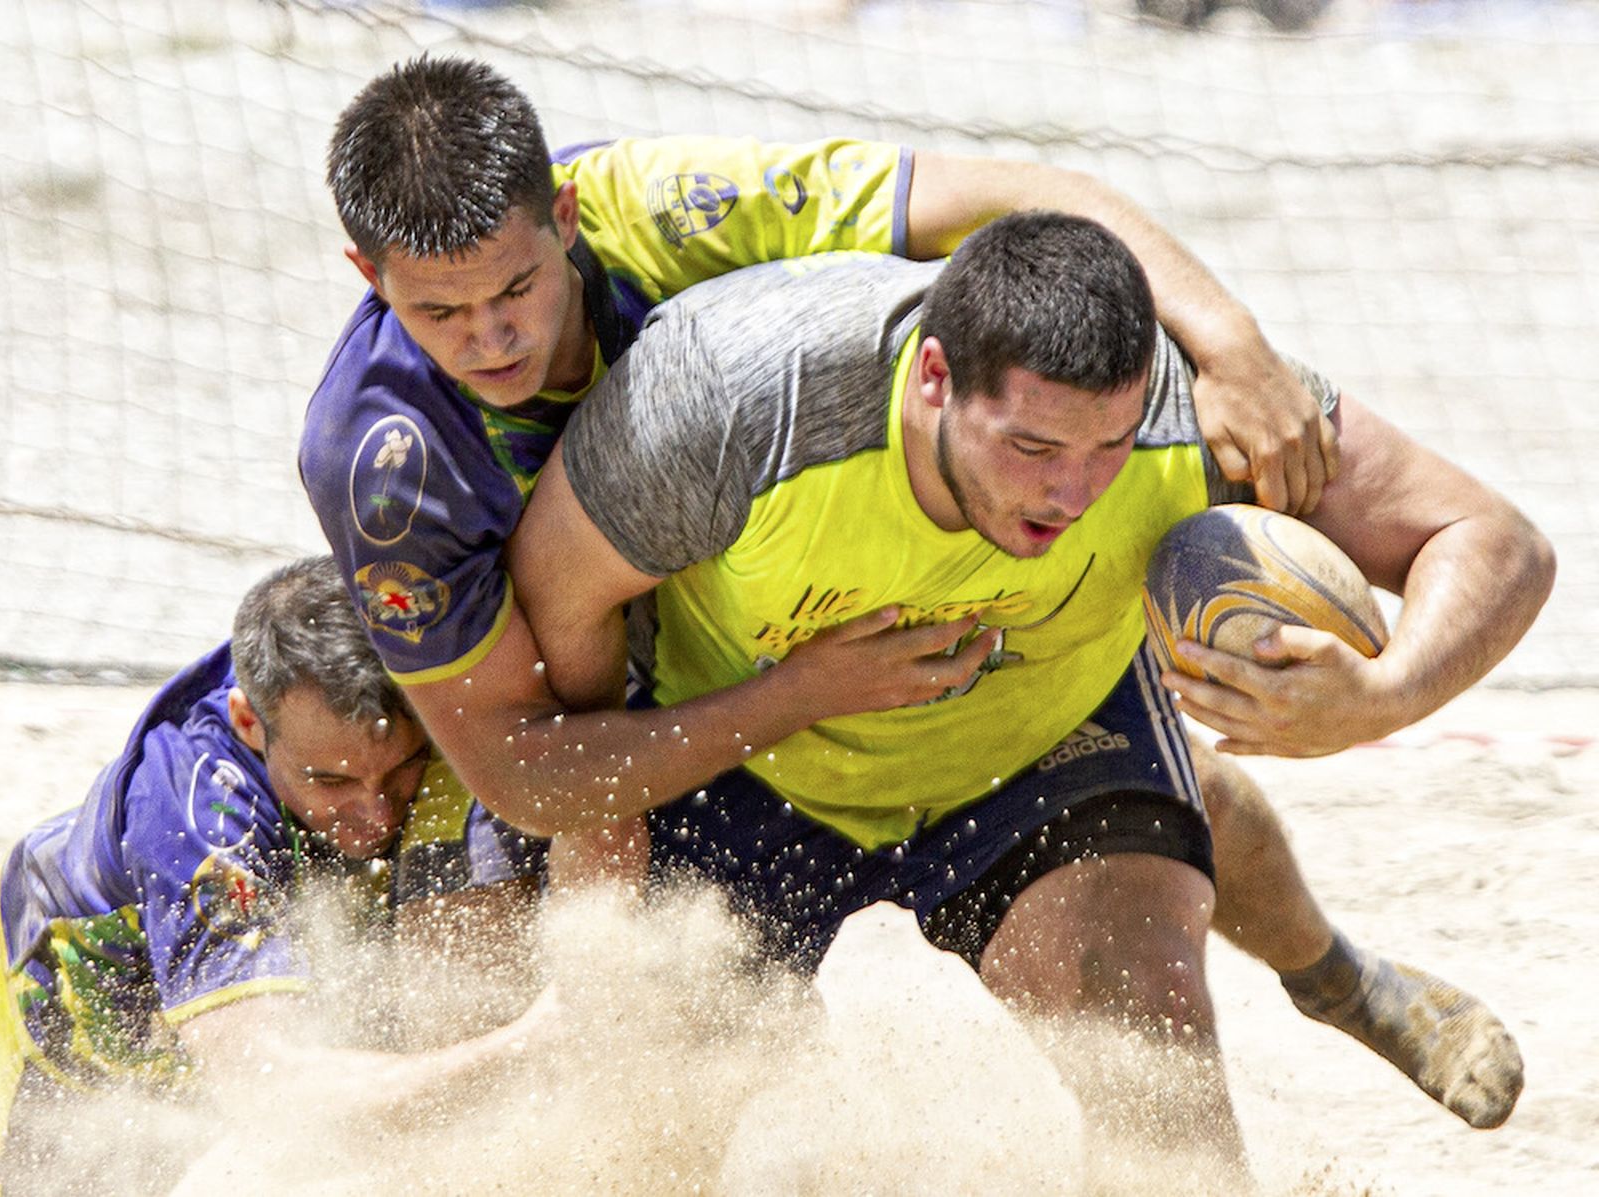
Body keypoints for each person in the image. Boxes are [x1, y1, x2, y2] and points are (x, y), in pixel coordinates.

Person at [298, 55, 1523, 1129]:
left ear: (563, 217)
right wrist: (617, 940)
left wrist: (1234, 345)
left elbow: (1034, 202)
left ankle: (1335, 978)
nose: (490, 339)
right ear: (367, 275)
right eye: (438, 312)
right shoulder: (395, 470)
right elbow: (542, 742)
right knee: (580, 1025)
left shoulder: (670, 214)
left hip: (973, 686)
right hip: (678, 681)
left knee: (1143, 912)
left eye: (516, 290)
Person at [504, 215, 1552, 1170]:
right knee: (643, 1128)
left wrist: (1384, 696)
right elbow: (558, 619)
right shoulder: (731, 399)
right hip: (746, 759)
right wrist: (602, 917)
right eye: (1032, 446)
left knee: (1151, 1073)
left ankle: (1333, 978)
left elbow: (1494, 539)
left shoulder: (1202, 412)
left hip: (1038, 747)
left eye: (1108, 446)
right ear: (931, 380)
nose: (1069, 491)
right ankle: (1327, 963)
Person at [0, 557, 552, 1191]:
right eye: (331, 780)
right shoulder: (194, 820)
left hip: (249, 991)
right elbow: (276, 1092)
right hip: (76, 1030)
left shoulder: (375, 685)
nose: (375, 814)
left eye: (400, 769)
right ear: (247, 722)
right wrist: (528, 1045)